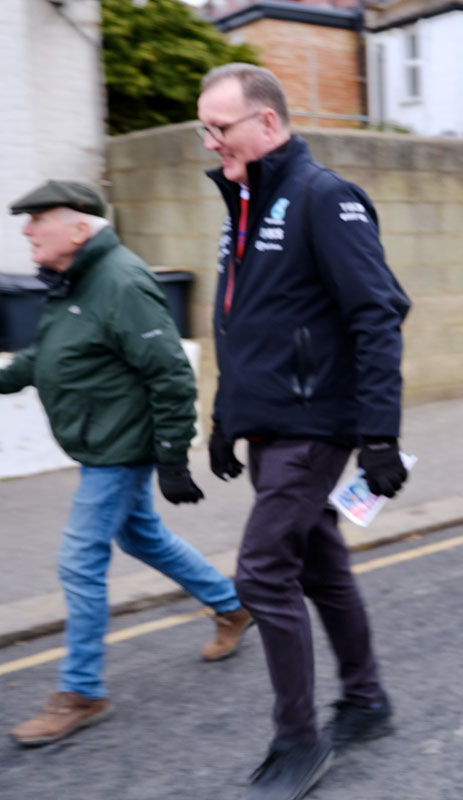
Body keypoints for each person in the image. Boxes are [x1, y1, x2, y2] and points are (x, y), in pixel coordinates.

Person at [197, 64, 411, 800]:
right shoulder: (246, 206)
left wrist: (379, 434)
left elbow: (376, 313)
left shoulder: (325, 198)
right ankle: (366, 699)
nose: (211, 140)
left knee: (261, 571)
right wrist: (225, 421)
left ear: (266, 123)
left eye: (220, 127)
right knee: (319, 565)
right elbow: (243, 328)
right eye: (206, 127)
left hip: (315, 426)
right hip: (269, 428)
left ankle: (298, 742)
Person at [1, 180, 253, 748]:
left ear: (79, 227)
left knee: (79, 560)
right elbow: (47, 354)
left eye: (38, 219)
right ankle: (232, 605)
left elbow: (170, 374)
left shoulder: (120, 282)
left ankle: (82, 691)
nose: (26, 230)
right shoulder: (77, 281)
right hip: (101, 442)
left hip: (120, 449)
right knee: (142, 539)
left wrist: (172, 459)